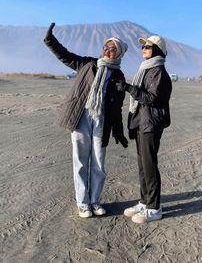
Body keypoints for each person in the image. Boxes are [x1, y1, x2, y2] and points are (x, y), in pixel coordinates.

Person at [44, 23, 128, 218]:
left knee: (98, 162)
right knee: (80, 161)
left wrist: (118, 131)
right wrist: (50, 40)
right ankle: (83, 204)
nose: (107, 51)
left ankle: (95, 201)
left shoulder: (118, 75)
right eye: (105, 47)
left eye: (112, 48)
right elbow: (65, 56)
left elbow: (117, 107)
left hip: (103, 120)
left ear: (120, 53)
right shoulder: (88, 64)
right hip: (82, 116)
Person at [116, 35, 172, 224]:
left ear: (157, 50)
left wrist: (128, 88)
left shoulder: (158, 72)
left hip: (151, 124)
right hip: (142, 122)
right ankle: (144, 201)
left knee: (149, 165)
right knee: (142, 165)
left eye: (148, 47)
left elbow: (152, 99)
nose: (143, 49)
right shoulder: (146, 69)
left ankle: (154, 208)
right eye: (143, 47)